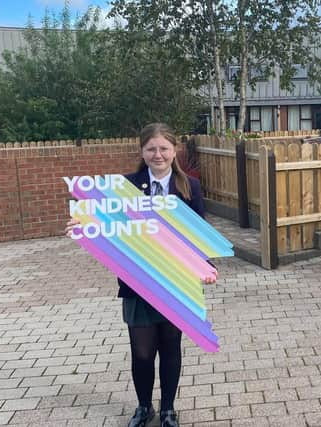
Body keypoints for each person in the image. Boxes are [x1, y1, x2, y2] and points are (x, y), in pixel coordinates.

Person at [66, 123, 215, 427]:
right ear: (142, 151)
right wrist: (81, 226)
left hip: (177, 281)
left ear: (175, 151)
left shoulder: (190, 187)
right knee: (143, 352)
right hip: (138, 282)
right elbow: (105, 222)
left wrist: (206, 266)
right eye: (151, 149)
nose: (157, 154)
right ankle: (144, 407)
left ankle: (169, 409)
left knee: (171, 347)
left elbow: (200, 234)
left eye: (164, 148)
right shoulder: (125, 186)